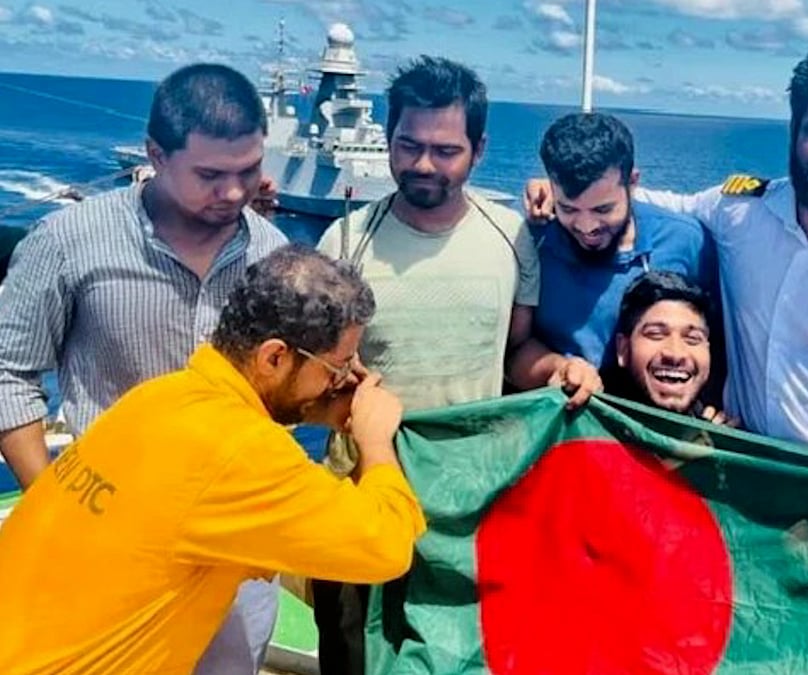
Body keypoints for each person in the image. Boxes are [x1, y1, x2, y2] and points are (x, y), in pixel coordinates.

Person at [526, 46, 808, 494]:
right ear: (794, 132)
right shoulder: (740, 212)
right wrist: (560, 191)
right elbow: (644, 202)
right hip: (744, 480)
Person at [0, 245, 427, 675]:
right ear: (274, 357)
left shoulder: (159, 397)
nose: (346, 379)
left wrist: (316, 400)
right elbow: (384, 547)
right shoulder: (243, 454)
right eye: (337, 367)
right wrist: (375, 440)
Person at [0, 63, 287, 673]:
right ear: (156, 154)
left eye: (248, 170)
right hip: (107, 540)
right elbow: (9, 373)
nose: (234, 192)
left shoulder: (274, 254)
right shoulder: (67, 241)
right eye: (210, 175)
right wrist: (55, 507)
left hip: (235, 551)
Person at [312, 55, 543, 674]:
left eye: (446, 151)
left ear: (479, 150)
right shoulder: (344, 241)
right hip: (359, 498)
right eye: (408, 145)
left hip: (469, 504)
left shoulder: (513, 236)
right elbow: (314, 377)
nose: (423, 164)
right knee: (352, 654)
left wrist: (557, 371)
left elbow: (516, 353)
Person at [508, 113, 719, 401]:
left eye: (603, 209)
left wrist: (713, 405)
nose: (587, 226)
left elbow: (713, 342)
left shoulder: (686, 241)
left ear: (633, 182)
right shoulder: (530, 239)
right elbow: (512, 351)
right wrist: (558, 369)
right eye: (568, 209)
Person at [609, 270, 733, 425]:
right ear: (623, 349)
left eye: (692, 338)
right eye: (656, 334)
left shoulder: (712, 430)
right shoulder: (589, 419)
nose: (675, 354)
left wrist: (711, 439)